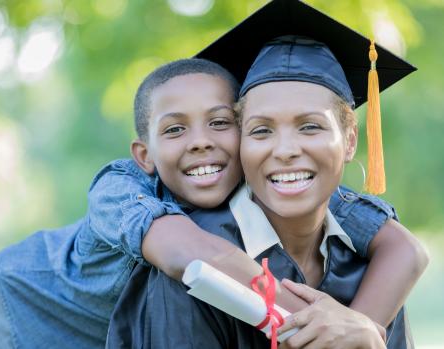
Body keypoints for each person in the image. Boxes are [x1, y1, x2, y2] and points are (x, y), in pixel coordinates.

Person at [0, 5, 426, 348]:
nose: (201, 142)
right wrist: (326, 328)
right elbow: (193, 256)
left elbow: (405, 248)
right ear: (144, 153)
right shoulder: (122, 188)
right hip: (4, 318)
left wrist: (361, 325)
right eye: (175, 129)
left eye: (220, 123)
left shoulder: (281, 182)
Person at [105, 1, 422, 348]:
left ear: (349, 141)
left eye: (310, 126)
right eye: (261, 131)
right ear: (240, 143)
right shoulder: (193, 274)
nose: (285, 150)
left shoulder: (374, 270)